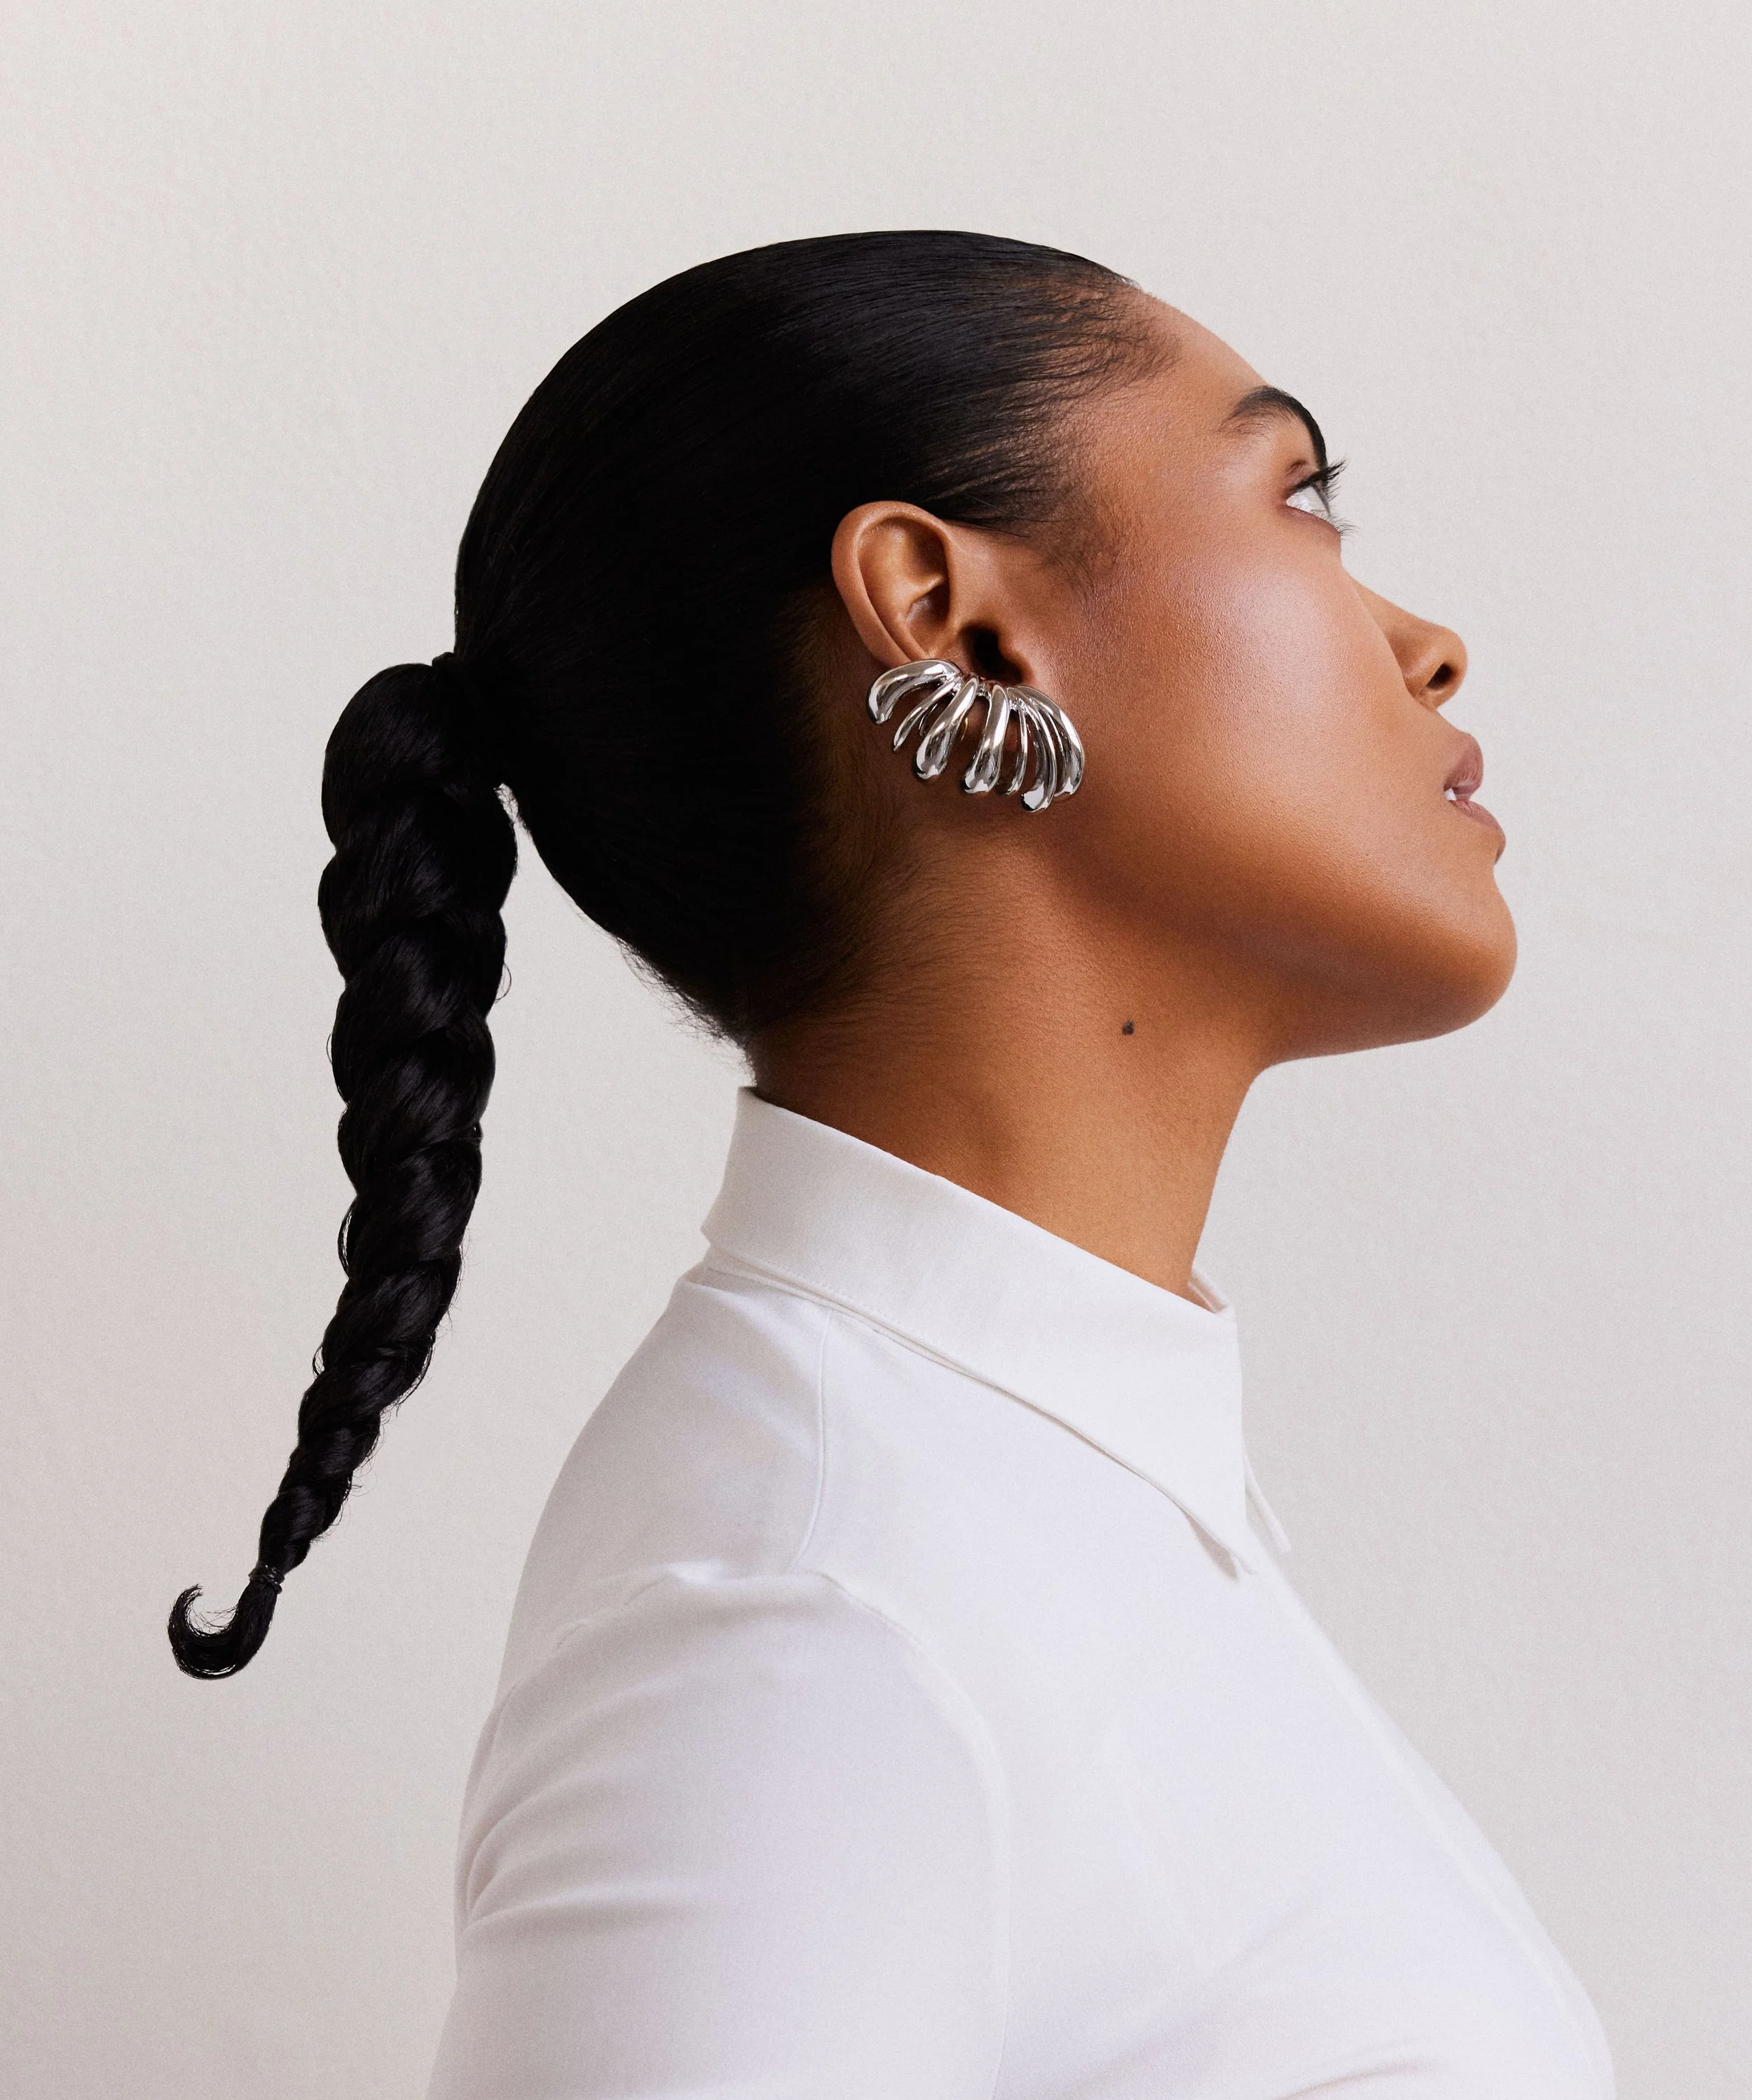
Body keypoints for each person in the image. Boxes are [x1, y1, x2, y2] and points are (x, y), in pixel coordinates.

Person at [168, 232, 1614, 2095]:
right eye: (1298, 493)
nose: (1427, 643)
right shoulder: (807, 1613)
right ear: (953, 614)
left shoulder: (1006, 1490)